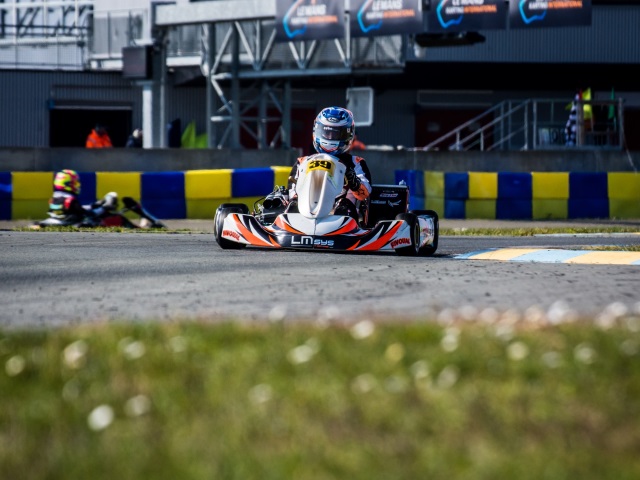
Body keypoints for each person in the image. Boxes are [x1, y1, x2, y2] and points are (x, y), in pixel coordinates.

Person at [287, 106, 372, 220]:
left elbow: (364, 195)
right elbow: (292, 193)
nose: (330, 138)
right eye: (327, 133)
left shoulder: (356, 163)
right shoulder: (302, 162)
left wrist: (353, 180)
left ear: (348, 135)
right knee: (292, 204)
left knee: (344, 206)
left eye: (336, 134)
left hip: (343, 218)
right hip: (305, 214)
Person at [47, 169, 117, 224]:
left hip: (57, 219)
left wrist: (93, 205)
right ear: (68, 184)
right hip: (72, 222)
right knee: (95, 221)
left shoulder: (55, 199)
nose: (77, 185)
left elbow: (77, 209)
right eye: (75, 182)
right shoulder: (70, 200)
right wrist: (104, 208)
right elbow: (86, 214)